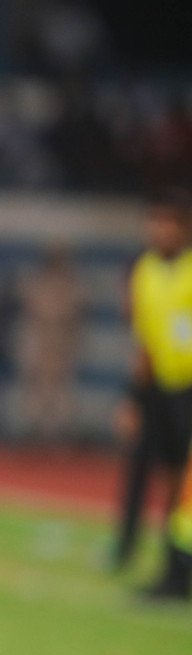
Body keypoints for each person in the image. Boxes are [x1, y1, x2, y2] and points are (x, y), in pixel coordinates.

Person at [118, 193, 192, 594]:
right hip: (160, 389)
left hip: (189, 389)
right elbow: (144, 340)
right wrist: (134, 397)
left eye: (169, 223)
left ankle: (176, 571)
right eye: (155, 222)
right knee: (156, 473)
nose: (160, 231)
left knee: (186, 485)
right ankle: (137, 551)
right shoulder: (144, 271)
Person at [14, 246, 85, 443]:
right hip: (40, 345)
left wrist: (72, 349)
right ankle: (34, 436)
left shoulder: (70, 287)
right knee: (37, 394)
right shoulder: (35, 284)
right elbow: (29, 319)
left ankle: (58, 438)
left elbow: (75, 319)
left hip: (60, 346)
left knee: (60, 395)